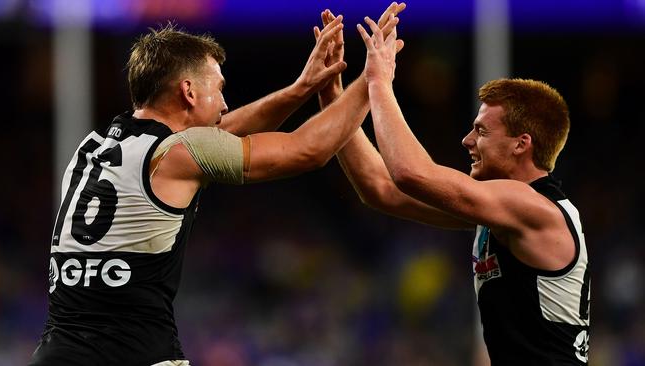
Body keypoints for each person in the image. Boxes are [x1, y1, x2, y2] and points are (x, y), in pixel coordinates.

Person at [29, 10, 402, 366]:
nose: (225, 103)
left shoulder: (96, 144)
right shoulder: (178, 153)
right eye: (219, 88)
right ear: (189, 92)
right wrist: (374, 78)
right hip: (138, 353)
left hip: (57, 354)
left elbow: (217, 135)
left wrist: (300, 89)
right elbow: (309, 150)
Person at [321, 11, 590, 365]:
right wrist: (332, 94)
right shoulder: (501, 215)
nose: (467, 141)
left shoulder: (534, 208)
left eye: (481, 131)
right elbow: (380, 188)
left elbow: (409, 173)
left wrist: (379, 81)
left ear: (521, 144)